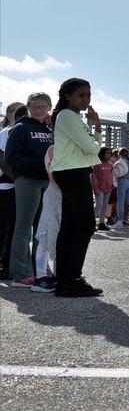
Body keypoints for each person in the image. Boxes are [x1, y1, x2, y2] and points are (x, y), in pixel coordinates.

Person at [49, 78, 104, 297]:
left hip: (72, 171)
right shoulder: (68, 116)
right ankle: (71, 279)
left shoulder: (71, 117)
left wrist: (96, 126)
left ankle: (65, 280)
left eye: (88, 95)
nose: (86, 99)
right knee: (85, 225)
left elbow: (91, 149)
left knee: (70, 226)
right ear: (67, 96)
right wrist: (95, 137)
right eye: (81, 95)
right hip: (73, 172)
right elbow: (91, 147)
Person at [4, 93, 54, 287]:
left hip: (46, 181)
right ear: (28, 106)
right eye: (34, 106)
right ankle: (20, 272)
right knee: (23, 227)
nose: (39, 110)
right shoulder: (20, 128)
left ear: (49, 107)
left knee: (42, 229)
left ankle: (40, 267)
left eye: (43, 106)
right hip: (28, 180)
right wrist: (39, 165)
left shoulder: (49, 129)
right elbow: (11, 158)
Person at [0, 102, 27, 278]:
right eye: (13, 111)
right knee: (3, 227)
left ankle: (9, 265)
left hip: (21, 186)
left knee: (17, 229)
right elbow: (2, 160)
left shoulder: (24, 131)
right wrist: (19, 180)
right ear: (8, 114)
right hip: (7, 186)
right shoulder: (5, 133)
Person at [32, 145, 60, 293]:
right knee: (45, 234)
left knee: (60, 236)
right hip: (55, 195)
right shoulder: (53, 149)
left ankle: (57, 275)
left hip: (64, 197)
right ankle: (40, 277)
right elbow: (52, 176)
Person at [111, 148, 129, 229]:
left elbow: (117, 173)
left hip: (122, 181)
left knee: (120, 202)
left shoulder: (120, 162)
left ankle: (119, 222)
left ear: (120, 155)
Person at [91, 147, 114, 231]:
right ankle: (91, 223)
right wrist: (96, 188)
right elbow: (94, 177)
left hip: (108, 188)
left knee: (104, 206)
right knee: (99, 204)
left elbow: (111, 177)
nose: (109, 155)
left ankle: (101, 223)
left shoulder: (110, 165)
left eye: (110, 153)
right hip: (99, 188)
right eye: (107, 153)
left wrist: (112, 185)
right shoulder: (97, 164)